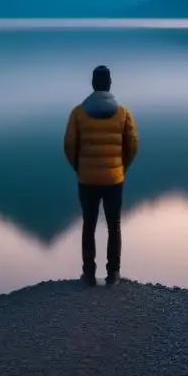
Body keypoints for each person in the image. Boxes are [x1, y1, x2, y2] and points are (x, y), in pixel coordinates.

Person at [63, 64, 139, 287]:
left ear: (93, 85)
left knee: (89, 224)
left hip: (87, 179)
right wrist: (120, 166)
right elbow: (133, 144)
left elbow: (68, 144)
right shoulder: (123, 113)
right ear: (109, 85)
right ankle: (113, 274)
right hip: (114, 180)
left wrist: (79, 166)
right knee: (113, 224)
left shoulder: (77, 113)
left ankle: (88, 274)